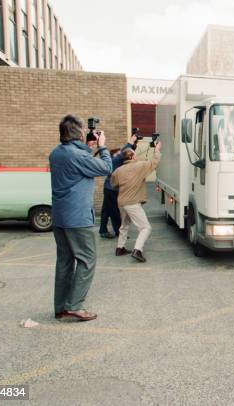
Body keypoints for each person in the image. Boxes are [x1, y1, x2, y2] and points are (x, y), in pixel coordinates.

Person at [49, 114, 112, 322]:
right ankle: (74, 306)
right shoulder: (77, 157)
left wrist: (86, 145)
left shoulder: (56, 153)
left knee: (65, 261)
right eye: (84, 130)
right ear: (77, 134)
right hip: (78, 218)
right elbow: (106, 168)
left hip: (60, 217)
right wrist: (102, 147)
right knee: (87, 260)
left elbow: (78, 159)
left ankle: (60, 307)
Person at [112, 141, 162, 262]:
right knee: (145, 227)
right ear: (133, 156)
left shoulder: (118, 170)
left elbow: (114, 184)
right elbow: (154, 163)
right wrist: (157, 150)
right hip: (132, 203)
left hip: (121, 202)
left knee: (124, 225)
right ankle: (137, 250)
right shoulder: (140, 166)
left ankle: (120, 248)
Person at [99, 135, 137, 238]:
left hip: (108, 189)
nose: (120, 154)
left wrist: (134, 144)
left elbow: (125, 153)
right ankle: (119, 232)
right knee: (114, 212)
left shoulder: (115, 162)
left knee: (106, 210)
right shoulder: (114, 161)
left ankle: (103, 230)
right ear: (113, 155)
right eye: (118, 153)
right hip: (112, 190)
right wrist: (130, 141)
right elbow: (123, 153)